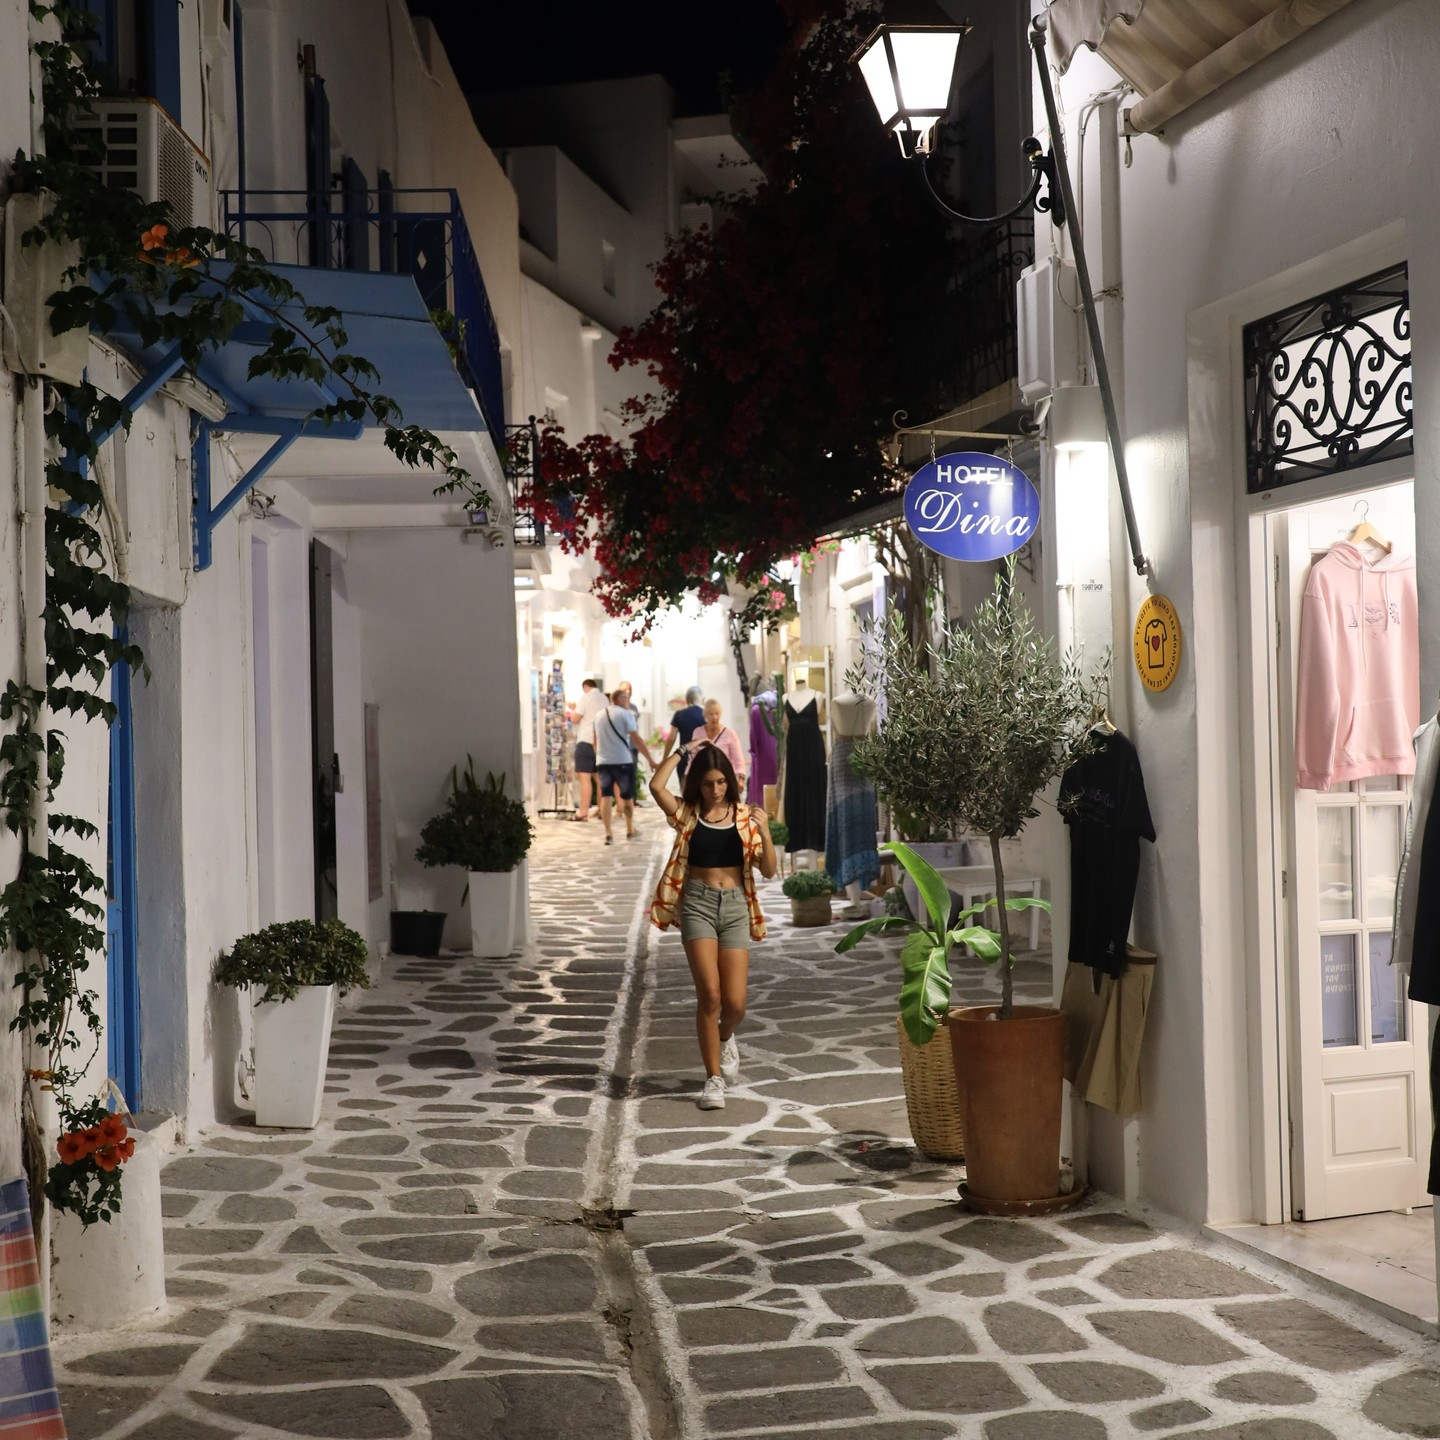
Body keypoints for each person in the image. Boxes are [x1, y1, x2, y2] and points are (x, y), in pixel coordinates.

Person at [649, 739, 777, 1110]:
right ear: (697, 784)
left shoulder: (743, 816)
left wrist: (766, 831)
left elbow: (767, 869)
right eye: (708, 783)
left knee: (735, 1005)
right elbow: (657, 786)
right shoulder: (687, 814)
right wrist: (683, 750)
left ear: (730, 782)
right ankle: (713, 1078)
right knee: (710, 995)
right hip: (698, 906)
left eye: (721, 782)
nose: (716, 790)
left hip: (736, 907)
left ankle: (723, 1037)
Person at [596, 687, 656, 845]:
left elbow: (595, 741)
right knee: (627, 796)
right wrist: (650, 759)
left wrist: (600, 755)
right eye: (625, 698)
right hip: (622, 760)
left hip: (603, 761)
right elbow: (636, 738)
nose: (628, 702)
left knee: (606, 796)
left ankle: (608, 833)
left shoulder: (599, 715)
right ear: (619, 699)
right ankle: (630, 829)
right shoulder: (625, 714)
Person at [569, 678, 607, 821]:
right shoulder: (604, 699)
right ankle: (602, 810)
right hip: (601, 743)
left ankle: (583, 812)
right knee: (599, 778)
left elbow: (575, 718)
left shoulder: (586, 697)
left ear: (585, 686)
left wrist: (573, 710)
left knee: (584, 778)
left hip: (586, 741)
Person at [699, 699, 747, 791]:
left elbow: (738, 760)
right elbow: (693, 759)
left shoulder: (730, 734)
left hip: (725, 780)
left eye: (717, 713)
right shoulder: (698, 733)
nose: (714, 717)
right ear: (705, 714)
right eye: (711, 714)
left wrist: (741, 779)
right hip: (704, 781)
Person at [662, 686, 706, 780]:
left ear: (687, 698)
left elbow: (671, 739)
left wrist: (664, 760)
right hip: (702, 760)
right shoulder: (705, 715)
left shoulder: (679, 714)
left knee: (685, 792)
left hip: (684, 759)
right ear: (702, 699)